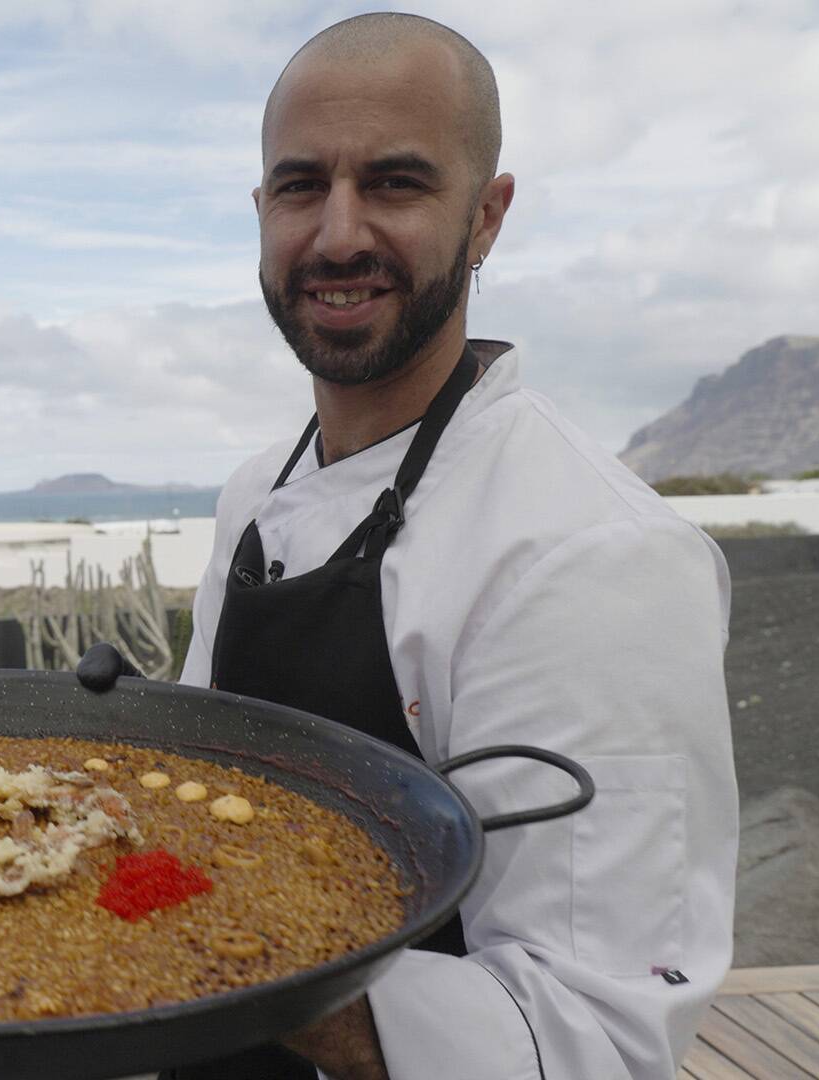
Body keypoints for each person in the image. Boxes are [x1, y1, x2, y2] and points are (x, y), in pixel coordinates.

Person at [83, 13, 737, 1080]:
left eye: (394, 183)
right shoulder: (258, 493)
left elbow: (596, 1036)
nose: (338, 235)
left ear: (487, 218)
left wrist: (228, 955)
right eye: (301, 186)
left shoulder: (592, 556)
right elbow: (193, 822)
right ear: (262, 213)